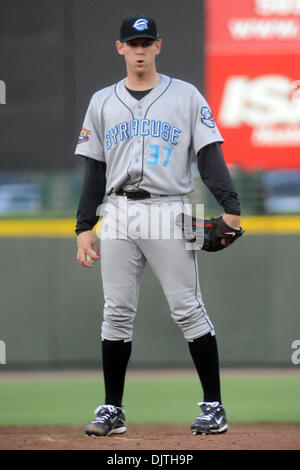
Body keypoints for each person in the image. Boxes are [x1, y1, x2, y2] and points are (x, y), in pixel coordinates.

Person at [75, 15, 241, 437]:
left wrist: (231, 206)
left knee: (187, 308)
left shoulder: (185, 96)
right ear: (120, 48)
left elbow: (209, 154)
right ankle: (112, 410)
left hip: (170, 209)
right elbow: (94, 170)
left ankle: (214, 406)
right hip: (116, 212)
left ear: (159, 46)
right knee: (115, 314)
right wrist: (83, 226)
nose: (140, 50)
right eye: (133, 43)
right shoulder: (102, 101)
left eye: (147, 42)